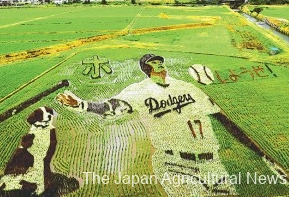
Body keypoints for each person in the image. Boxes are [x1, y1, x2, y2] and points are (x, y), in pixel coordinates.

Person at [56, 54, 237, 196]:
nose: (159, 64)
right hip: (174, 164)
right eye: (153, 62)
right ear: (146, 68)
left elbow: (221, 117)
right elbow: (110, 107)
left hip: (211, 162)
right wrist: (82, 105)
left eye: (160, 61)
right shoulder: (139, 91)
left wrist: (259, 151)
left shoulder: (186, 87)